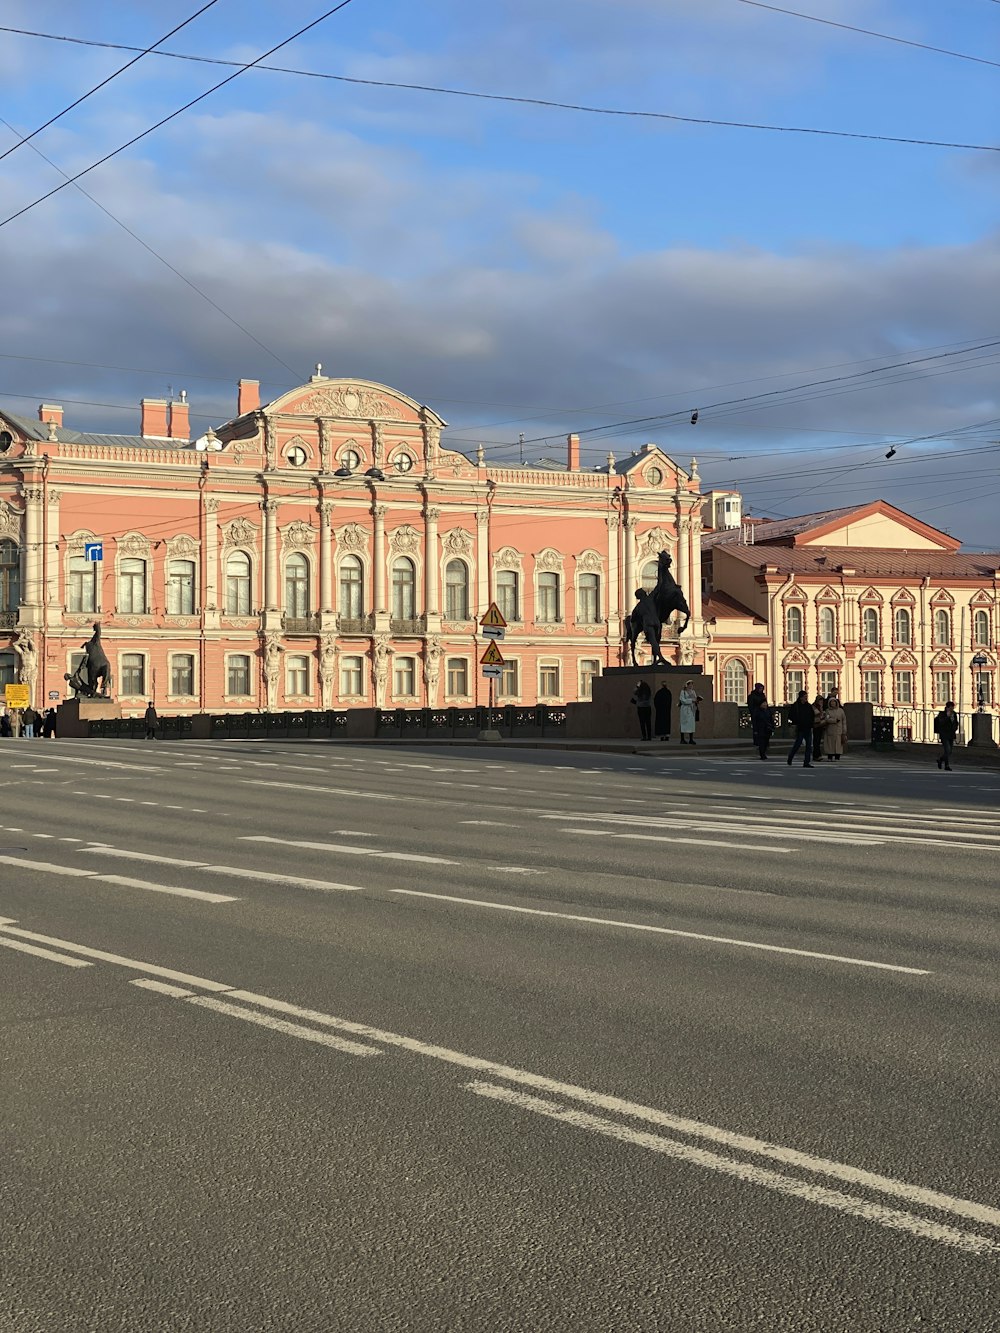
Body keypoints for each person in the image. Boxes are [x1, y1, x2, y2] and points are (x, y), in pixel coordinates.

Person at [786, 689, 815, 768]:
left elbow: (812, 716)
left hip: (808, 727)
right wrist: (796, 722)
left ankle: (806, 762)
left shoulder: (808, 706)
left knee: (809, 746)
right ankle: (790, 757)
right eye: (805, 697)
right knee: (797, 744)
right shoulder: (796, 706)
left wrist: (811, 725)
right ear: (801, 697)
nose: (806, 698)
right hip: (800, 728)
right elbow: (790, 716)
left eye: (806, 697)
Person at [746, 682, 774, 760]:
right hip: (757, 715)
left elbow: (766, 704)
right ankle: (761, 752)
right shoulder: (752, 696)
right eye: (760, 688)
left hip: (764, 716)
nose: (761, 690)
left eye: (762, 688)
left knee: (765, 737)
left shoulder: (762, 695)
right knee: (760, 736)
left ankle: (763, 750)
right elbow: (751, 707)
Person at [933, 700, 959, 771]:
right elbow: (941, 723)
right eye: (951, 708)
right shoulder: (942, 714)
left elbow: (956, 722)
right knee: (947, 750)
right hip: (944, 734)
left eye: (953, 708)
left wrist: (955, 727)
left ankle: (940, 760)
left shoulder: (954, 714)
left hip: (951, 734)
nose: (952, 709)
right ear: (947, 707)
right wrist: (947, 717)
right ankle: (946, 765)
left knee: (949, 751)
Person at [823, 695, 847, 760]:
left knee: (838, 744)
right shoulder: (828, 711)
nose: (833, 703)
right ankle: (830, 756)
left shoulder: (841, 711)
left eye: (834, 702)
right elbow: (826, 719)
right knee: (830, 744)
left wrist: (844, 731)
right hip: (830, 730)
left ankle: (837, 756)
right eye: (831, 702)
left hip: (839, 730)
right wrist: (834, 720)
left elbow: (844, 721)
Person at [678, 679, 701, 744]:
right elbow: (682, 700)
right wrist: (691, 701)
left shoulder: (693, 692)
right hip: (685, 710)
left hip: (691, 709)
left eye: (692, 684)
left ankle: (691, 739)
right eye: (690, 684)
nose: (691, 686)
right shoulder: (683, 692)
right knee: (684, 723)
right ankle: (682, 739)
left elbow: (695, 698)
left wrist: (697, 701)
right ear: (687, 685)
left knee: (691, 724)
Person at [812, 695, 828, 763]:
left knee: (818, 741)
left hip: (821, 725)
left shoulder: (821, 707)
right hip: (815, 725)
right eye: (820, 700)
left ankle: (816, 755)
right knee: (816, 741)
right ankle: (817, 755)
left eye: (822, 701)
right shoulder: (814, 706)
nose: (821, 702)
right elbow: (817, 714)